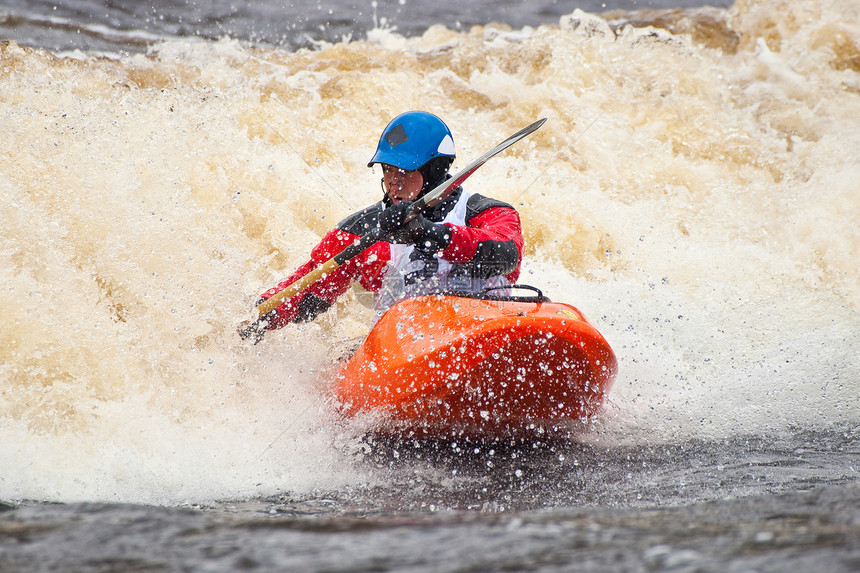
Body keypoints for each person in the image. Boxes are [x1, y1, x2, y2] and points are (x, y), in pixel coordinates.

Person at [254, 111, 524, 331]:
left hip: (484, 327)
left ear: (435, 171)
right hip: (403, 344)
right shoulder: (360, 232)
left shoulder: (486, 213)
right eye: (388, 170)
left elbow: (507, 254)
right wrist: (266, 313)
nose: (394, 181)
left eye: (405, 171)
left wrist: (430, 234)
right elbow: (310, 286)